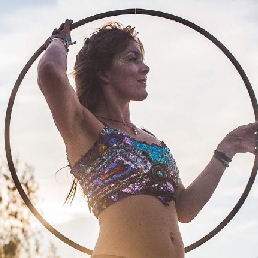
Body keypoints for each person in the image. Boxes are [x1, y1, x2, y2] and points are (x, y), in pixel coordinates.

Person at [37, 19, 258, 258]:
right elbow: (50, 72)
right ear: (103, 72)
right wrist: (61, 40)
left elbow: (184, 210)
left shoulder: (152, 141)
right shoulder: (85, 128)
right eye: (132, 59)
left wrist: (227, 149)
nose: (145, 68)